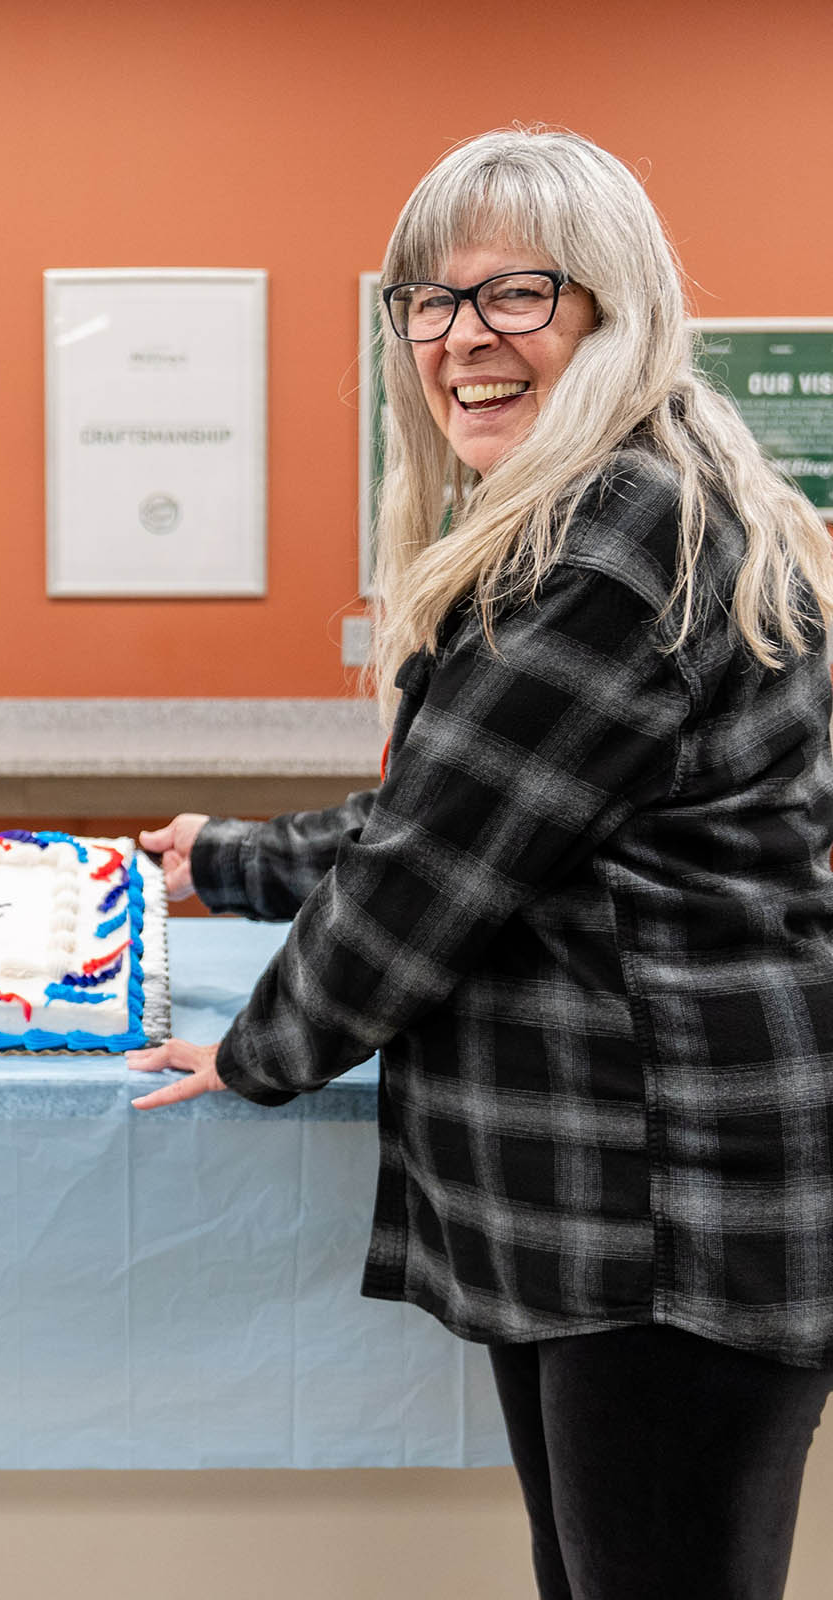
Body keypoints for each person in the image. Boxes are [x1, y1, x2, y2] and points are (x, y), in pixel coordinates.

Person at [128, 127, 833, 1600]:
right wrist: (231, 863)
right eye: (428, 302)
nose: (463, 339)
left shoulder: (622, 535)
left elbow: (427, 873)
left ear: (614, 306)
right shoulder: (631, 503)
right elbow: (472, 806)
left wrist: (258, 1049)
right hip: (623, 1208)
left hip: (668, 1215)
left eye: (516, 293)